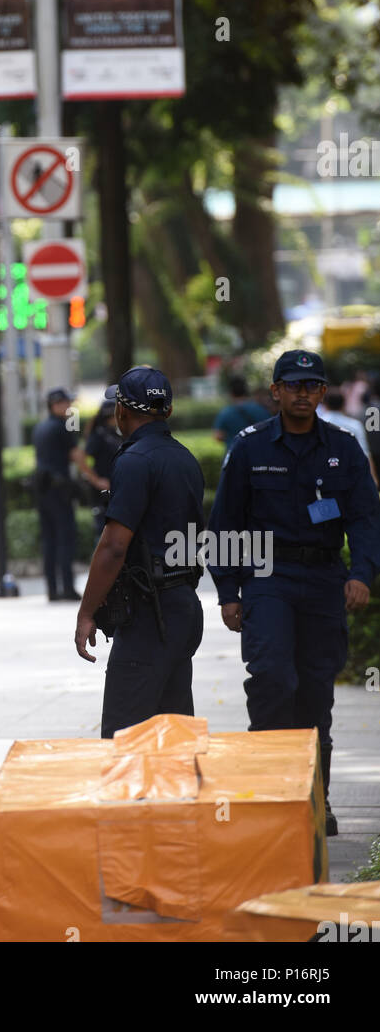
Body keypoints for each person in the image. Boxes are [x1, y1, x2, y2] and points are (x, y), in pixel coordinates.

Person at [207, 349, 380, 836]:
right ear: (275, 392)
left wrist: (361, 573)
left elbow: (366, 519)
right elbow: (226, 524)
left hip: (325, 580)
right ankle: (266, 795)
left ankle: (314, 800)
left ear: (323, 393)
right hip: (267, 579)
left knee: (314, 695)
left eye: (312, 386)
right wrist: (228, 591)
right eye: (293, 385)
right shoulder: (249, 447)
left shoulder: (345, 448)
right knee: (272, 679)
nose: (303, 394)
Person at [75, 367, 206, 738]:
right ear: (166, 410)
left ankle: (130, 800)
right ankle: (175, 798)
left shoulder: (134, 460)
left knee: (125, 738)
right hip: (182, 607)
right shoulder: (184, 458)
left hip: (151, 615)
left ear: (122, 411)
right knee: (174, 735)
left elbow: (114, 546)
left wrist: (87, 613)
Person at [33, 388, 82, 602]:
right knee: (65, 538)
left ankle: (52, 590)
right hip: (59, 490)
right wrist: (94, 477)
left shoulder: (40, 428)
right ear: (56, 405)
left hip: (42, 489)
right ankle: (68, 588)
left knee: (49, 540)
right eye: (66, 403)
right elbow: (76, 455)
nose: (69, 407)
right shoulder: (62, 428)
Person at [75, 399, 120, 544]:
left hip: (115, 489)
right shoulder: (99, 435)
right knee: (103, 532)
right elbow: (81, 459)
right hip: (102, 493)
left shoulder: (114, 433)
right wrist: (96, 480)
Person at [320, 387, 378, 484]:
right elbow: (365, 453)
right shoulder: (354, 425)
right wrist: (373, 479)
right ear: (343, 404)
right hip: (350, 476)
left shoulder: (318, 423)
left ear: (325, 404)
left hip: (323, 475)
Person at [212, 376, 271, 450]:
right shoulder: (260, 409)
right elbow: (270, 430)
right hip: (258, 454)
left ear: (231, 393)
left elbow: (218, 436)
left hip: (234, 454)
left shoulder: (225, 413)